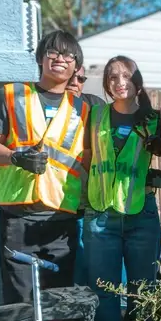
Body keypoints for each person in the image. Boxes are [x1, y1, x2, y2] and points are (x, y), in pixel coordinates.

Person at [0, 30, 90, 304]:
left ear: (76, 67)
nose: (60, 58)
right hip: (19, 216)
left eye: (68, 55)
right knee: (19, 299)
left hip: (62, 220)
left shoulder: (83, 109)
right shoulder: (11, 95)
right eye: (53, 52)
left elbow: (89, 157)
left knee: (57, 299)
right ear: (41, 58)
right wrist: (16, 157)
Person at [83, 56, 161, 321]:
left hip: (141, 214)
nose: (120, 83)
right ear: (106, 83)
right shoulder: (95, 115)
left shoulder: (153, 118)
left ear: (137, 81)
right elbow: (87, 157)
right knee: (103, 290)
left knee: (141, 290)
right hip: (101, 214)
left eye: (126, 76)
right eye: (113, 77)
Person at [66, 66, 104, 289]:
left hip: (90, 205)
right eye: (71, 77)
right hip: (57, 207)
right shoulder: (46, 107)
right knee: (71, 277)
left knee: (96, 274)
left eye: (81, 78)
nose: (75, 82)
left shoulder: (94, 106)